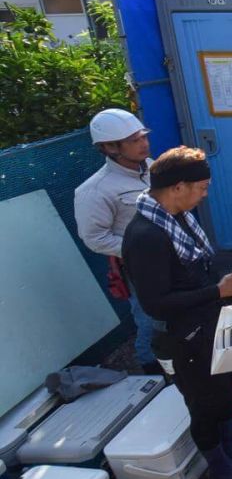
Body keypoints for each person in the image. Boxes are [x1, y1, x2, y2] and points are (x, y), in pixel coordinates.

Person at [121, 147, 232, 479]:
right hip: (183, 335)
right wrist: (218, 292)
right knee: (204, 401)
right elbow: (156, 303)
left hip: (209, 322)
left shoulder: (177, 217)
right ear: (177, 187)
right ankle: (219, 466)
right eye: (201, 187)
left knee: (228, 382)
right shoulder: (146, 236)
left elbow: (197, 269)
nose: (205, 195)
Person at [74, 108, 163, 373]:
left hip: (169, 256)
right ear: (110, 147)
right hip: (139, 267)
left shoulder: (150, 167)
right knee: (150, 320)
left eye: (143, 137)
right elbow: (94, 238)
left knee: (173, 314)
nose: (144, 144)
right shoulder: (95, 190)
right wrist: (137, 250)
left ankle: (177, 362)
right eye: (134, 140)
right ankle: (152, 371)